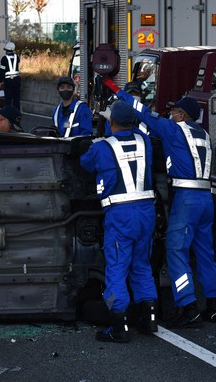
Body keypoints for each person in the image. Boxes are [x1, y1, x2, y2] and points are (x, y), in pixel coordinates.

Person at [106, 77, 216, 328]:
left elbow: (142, 113)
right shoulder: (204, 134)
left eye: (175, 111)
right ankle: (212, 306)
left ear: (182, 115)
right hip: (206, 199)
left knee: (177, 252)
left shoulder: (174, 129)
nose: (171, 113)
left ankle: (188, 308)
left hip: (186, 200)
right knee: (205, 254)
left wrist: (117, 91)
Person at [80, 100, 158, 343]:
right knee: (142, 266)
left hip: (120, 215)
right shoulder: (144, 141)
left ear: (110, 121)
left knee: (116, 268)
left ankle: (118, 326)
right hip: (146, 212)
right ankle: (150, 319)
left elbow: (86, 163)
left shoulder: (103, 147)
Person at [0, 41, 21, 109]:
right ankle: (17, 113)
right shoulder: (17, 57)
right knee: (16, 98)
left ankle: (8, 113)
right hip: (17, 80)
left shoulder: (4, 58)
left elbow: (2, 71)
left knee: (8, 99)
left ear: (6, 50)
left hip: (8, 80)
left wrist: (0, 81)